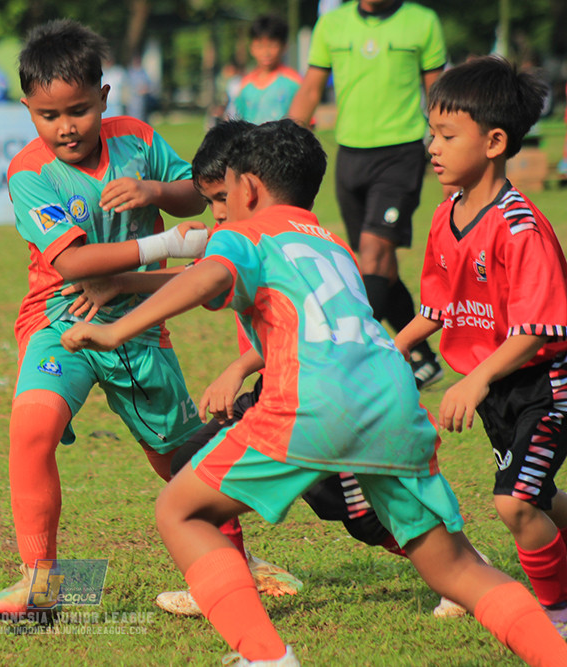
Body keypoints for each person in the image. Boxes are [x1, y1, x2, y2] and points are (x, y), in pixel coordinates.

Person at [62, 118, 567, 667]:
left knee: (181, 511)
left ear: (248, 188)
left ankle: (267, 657)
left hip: (312, 402)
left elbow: (208, 275)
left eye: (224, 194)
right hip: (393, 399)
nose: (220, 210)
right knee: (458, 568)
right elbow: (220, 278)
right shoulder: (328, 243)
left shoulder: (245, 234)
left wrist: (116, 328)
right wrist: (132, 284)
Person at [0, 18, 209, 618]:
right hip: (60, 318)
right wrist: (167, 246)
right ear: (27, 109)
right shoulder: (29, 173)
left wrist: (153, 193)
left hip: (140, 318)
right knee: (32, 430)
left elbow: (196, 194)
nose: (65, 127)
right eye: (47, 115)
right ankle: (40, 581)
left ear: (104, 99)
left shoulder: (137, 138)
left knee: (177, 456)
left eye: (78, 110)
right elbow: (74, 261)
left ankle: (234, 561)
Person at [394, 55, 567, 635]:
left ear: (494, 141)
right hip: (493, 387)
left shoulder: (520, 229)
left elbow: (538, 330)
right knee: (535, 496)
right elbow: (437, 309)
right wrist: (391, 349)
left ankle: (556, 614)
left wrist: (475, 378)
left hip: (542, 385)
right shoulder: (447, 215)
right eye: (431, 132)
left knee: (514, 503)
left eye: (447, 135)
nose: (432, 146)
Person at [288, 0, 446, 390]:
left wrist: (450, 150)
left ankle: (354, 363)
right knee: (378, 266)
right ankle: (424, 357)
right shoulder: (332, 25)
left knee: (374, 253)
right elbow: (310, 87)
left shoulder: (422, 22)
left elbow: (439, 94)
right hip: (350, 154)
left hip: (402, 152)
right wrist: (285, 142)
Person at [229, 15, 301, 124]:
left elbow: (306, 123)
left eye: (272, 46)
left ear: (284, 46)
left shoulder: (294, 82)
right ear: (251, 48)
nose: (266, 53)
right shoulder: (245, 85)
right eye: (260, 46)